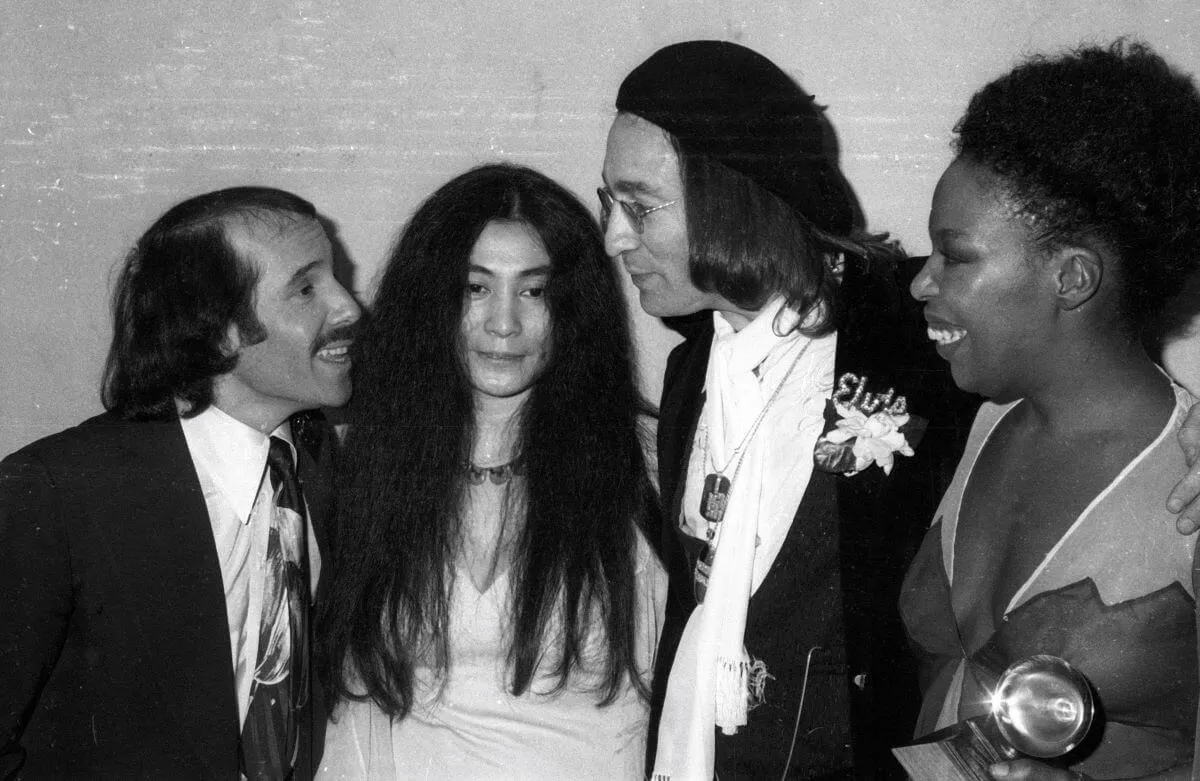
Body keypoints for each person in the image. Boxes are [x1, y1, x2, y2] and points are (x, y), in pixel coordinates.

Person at [601, 40, 979, 778]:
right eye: (608, 203)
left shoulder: (907, 327)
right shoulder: (689, 375)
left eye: (639, 207)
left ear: (733, 195)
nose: (615, 236)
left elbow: (1067, 371)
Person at [900, 41, 1200, 779]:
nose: (920, 283)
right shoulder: (983, 417)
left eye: (955, 255)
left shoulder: (1187, 483)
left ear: (1071, 276)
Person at [316, 163, 666, 780]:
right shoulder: (355, 464)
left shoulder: (649, 464)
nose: (504, 324)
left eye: (534, 291)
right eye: (476, 288)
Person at [0, 186, 361, 778]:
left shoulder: (327, 475)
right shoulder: (58, 491)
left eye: (337, 279)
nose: (349, 307)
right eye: (306, 288)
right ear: (219, 332)